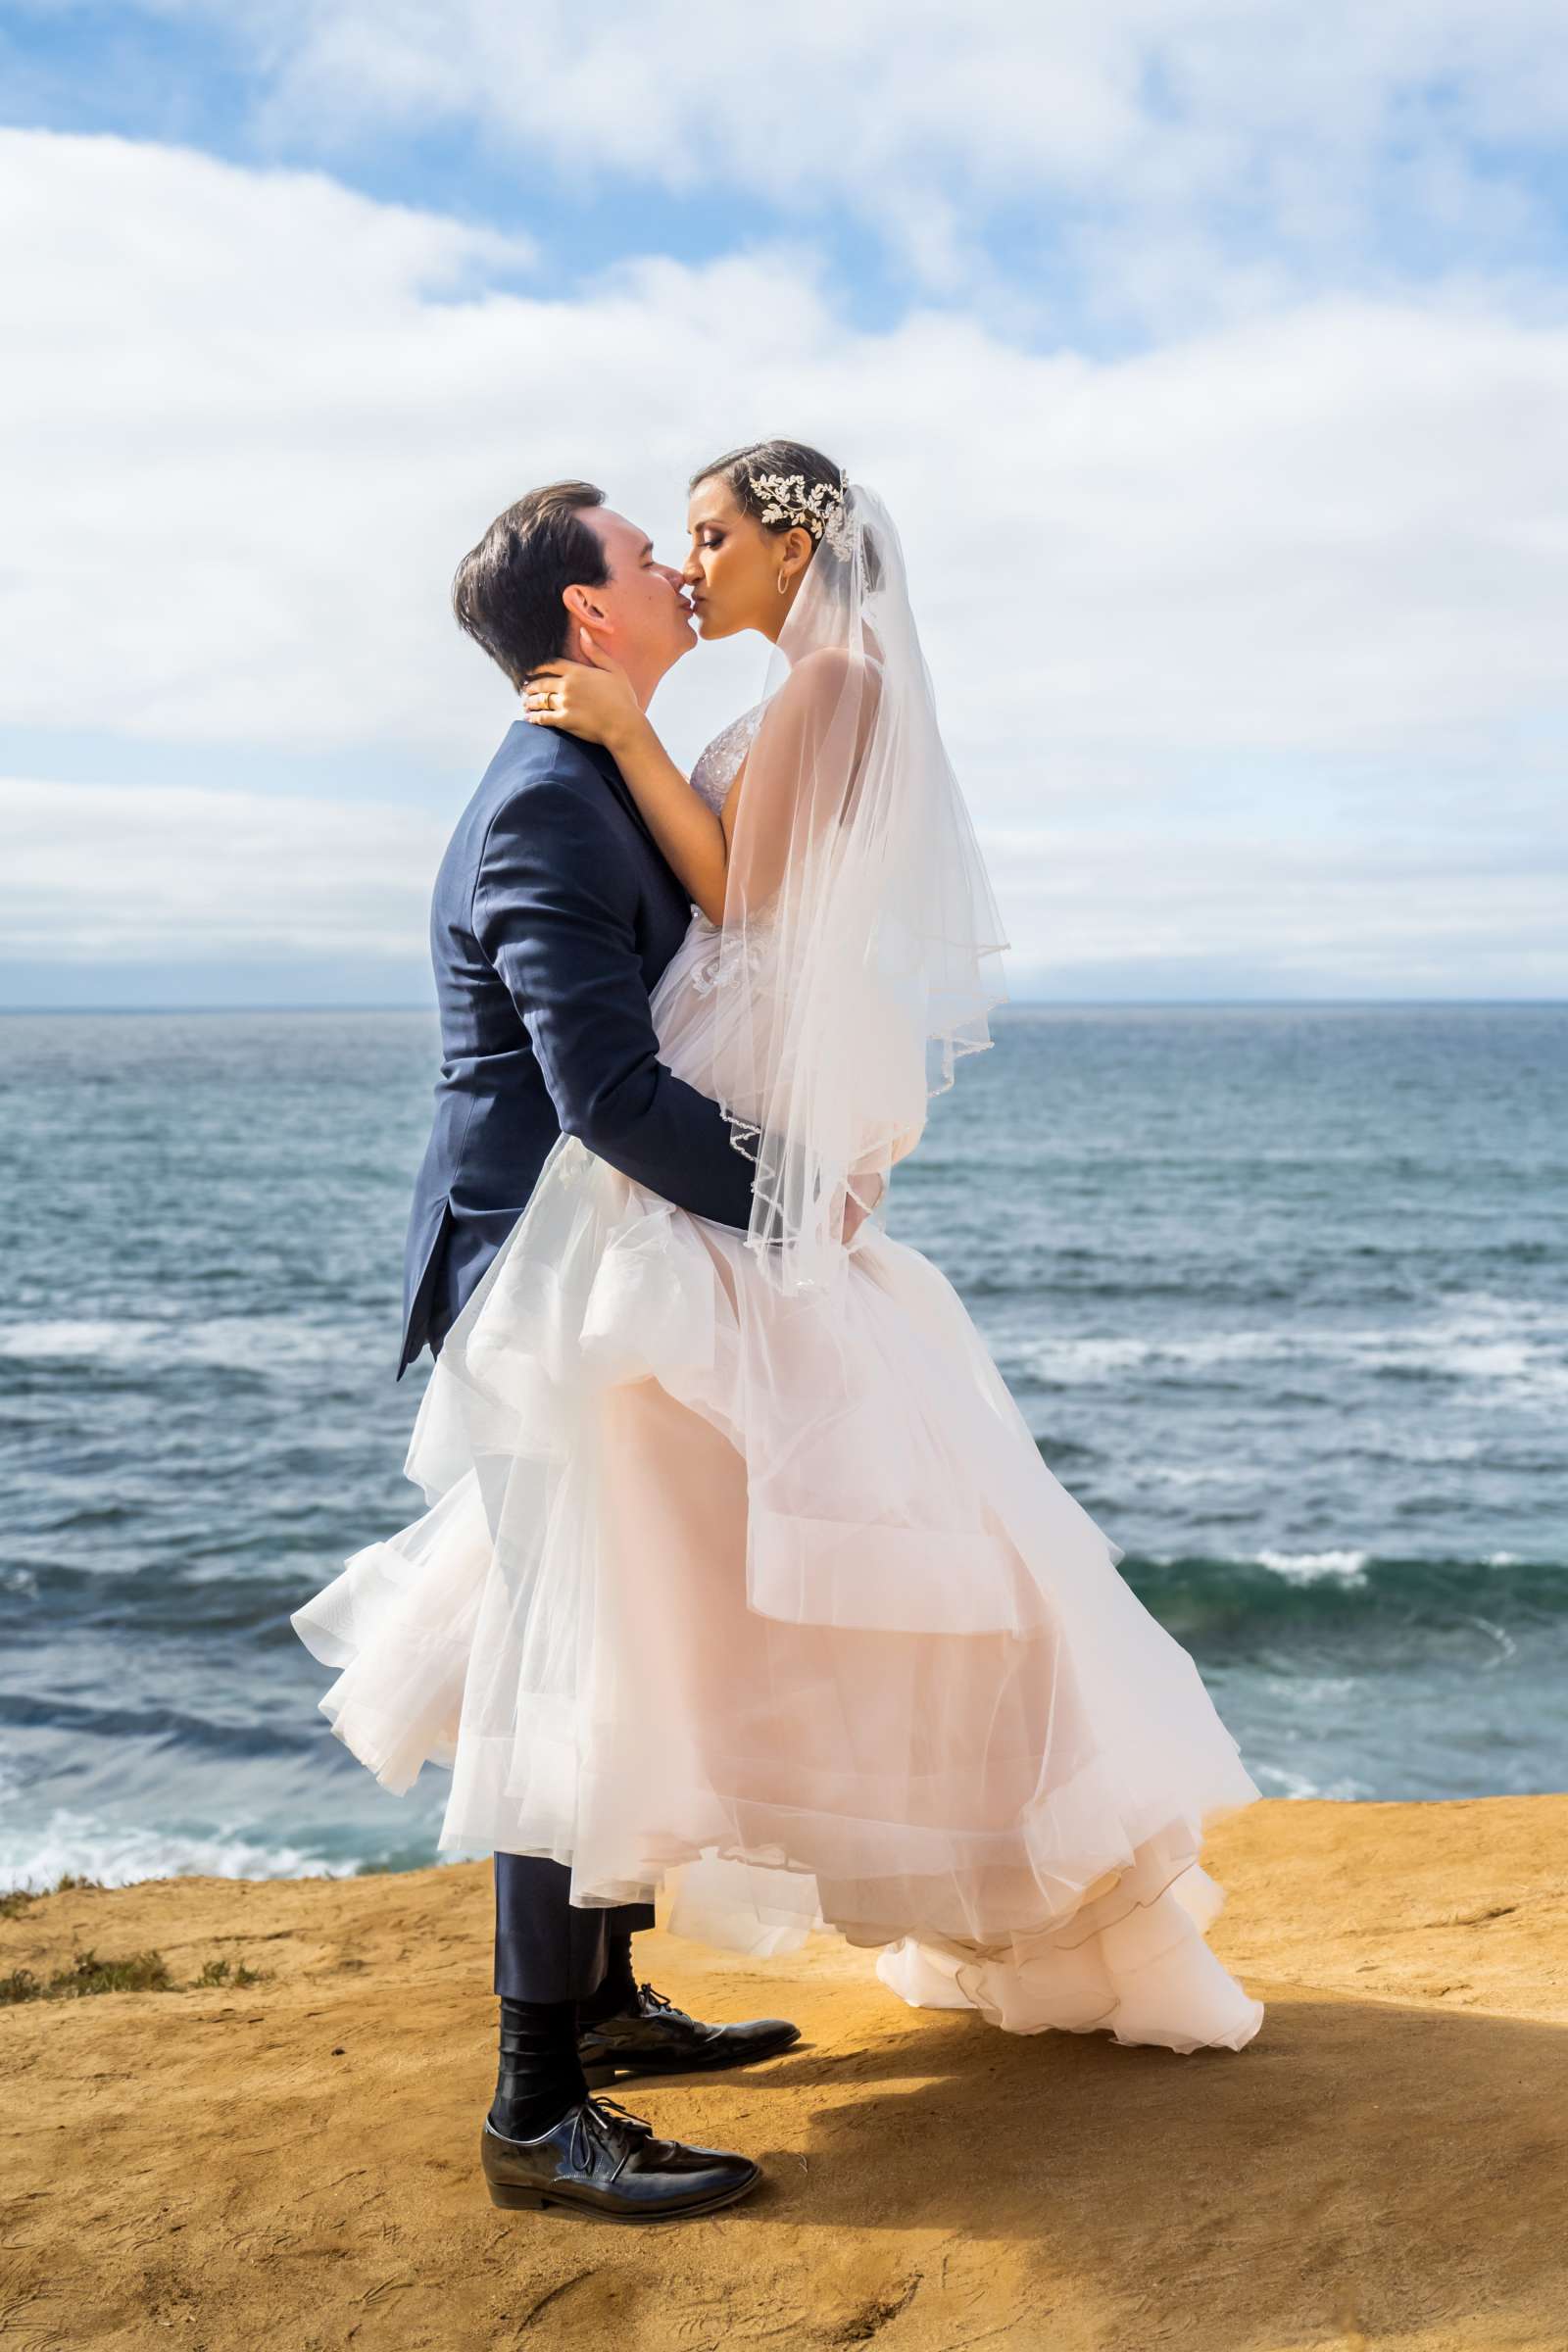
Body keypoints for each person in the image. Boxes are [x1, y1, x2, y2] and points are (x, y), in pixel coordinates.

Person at [292, 440, 1265, 2226]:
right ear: (588, 609)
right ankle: (535, 2106)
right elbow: (602, 1087)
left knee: (625, 1619)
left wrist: (800, 1173)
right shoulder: (546, 796)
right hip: (555, 1268)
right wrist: (791, 1191)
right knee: (573, 1652)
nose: (679, 564)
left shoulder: (636, 755)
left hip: (637, 1242)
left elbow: (742, 930)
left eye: (706, 539)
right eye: (651, 554)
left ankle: (599, 2007)